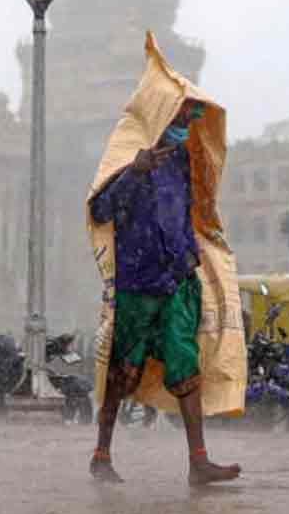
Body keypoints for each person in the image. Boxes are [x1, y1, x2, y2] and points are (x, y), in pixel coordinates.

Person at [86, 32, 245, 486]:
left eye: (190, 117)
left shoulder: (181, 163)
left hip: (176, 279)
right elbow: (100, 210)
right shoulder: (127, 159)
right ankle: (101, 453)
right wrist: (134, 173)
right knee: (123, 370)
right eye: (180, 115)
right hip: (138, 283)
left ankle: (199, 462)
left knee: (185, 365)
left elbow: (192, 213)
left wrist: (196, 255)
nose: (186, 124)